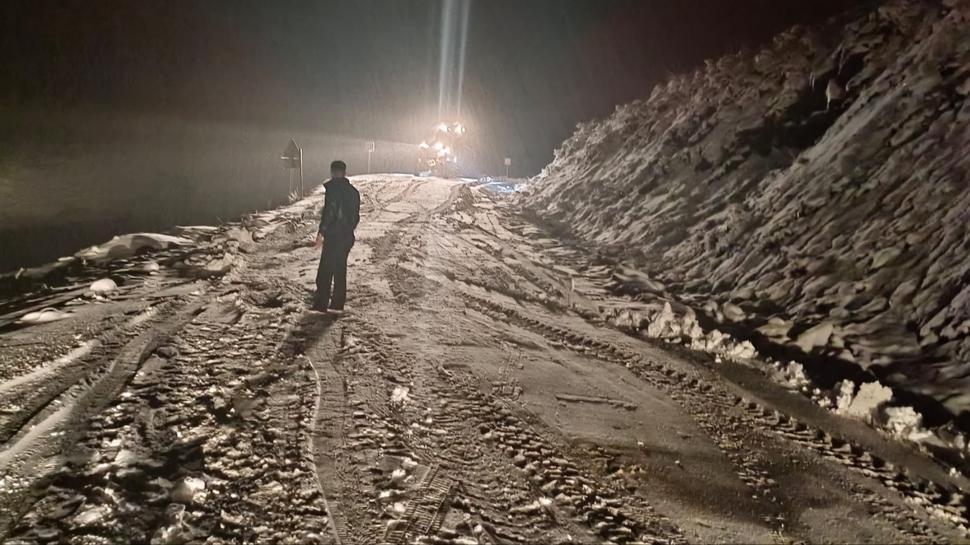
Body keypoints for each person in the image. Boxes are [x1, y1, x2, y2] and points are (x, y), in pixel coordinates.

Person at [313, 160, 360, 312]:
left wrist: (322, 231)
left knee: (325, 272)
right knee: (340, 270)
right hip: (346, 236)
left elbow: (330, 213)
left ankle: (321, 303)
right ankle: (337, 304)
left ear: (333, 172)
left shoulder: (333, 190)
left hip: (334, 236)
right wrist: (348, 230)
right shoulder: (353, 192)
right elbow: (355, 217)